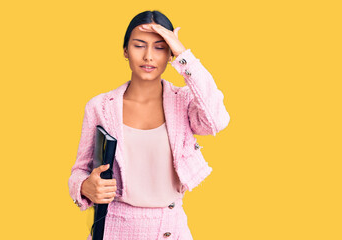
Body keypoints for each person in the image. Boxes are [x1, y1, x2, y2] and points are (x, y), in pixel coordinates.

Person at [68, 10, 230, 240]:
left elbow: (218, 119)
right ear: (125, 50)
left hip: (172, 230)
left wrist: (184, 54)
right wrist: (85, 186)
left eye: (160, 47)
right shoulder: (100, 106)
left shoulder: (183, 102)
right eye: (139, 45)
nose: (148, 56)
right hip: (113, 229)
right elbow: (79, 171)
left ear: (170, 54)